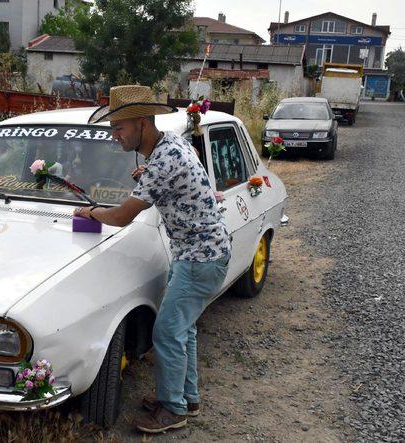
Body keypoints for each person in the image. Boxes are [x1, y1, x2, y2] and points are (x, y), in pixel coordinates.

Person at [73, 85, 231, 434]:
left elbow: (121, 217)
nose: (115, 136)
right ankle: (186, 398)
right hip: (201, 252)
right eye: (113, 128)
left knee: (167, 332)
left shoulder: (162, 161)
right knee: (183, 330)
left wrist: (90, 211)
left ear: (143, 122)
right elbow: (175, 172)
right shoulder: (170, 146)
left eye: (121, 128)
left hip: (199, 258)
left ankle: (174, 410)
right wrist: (147, 174)